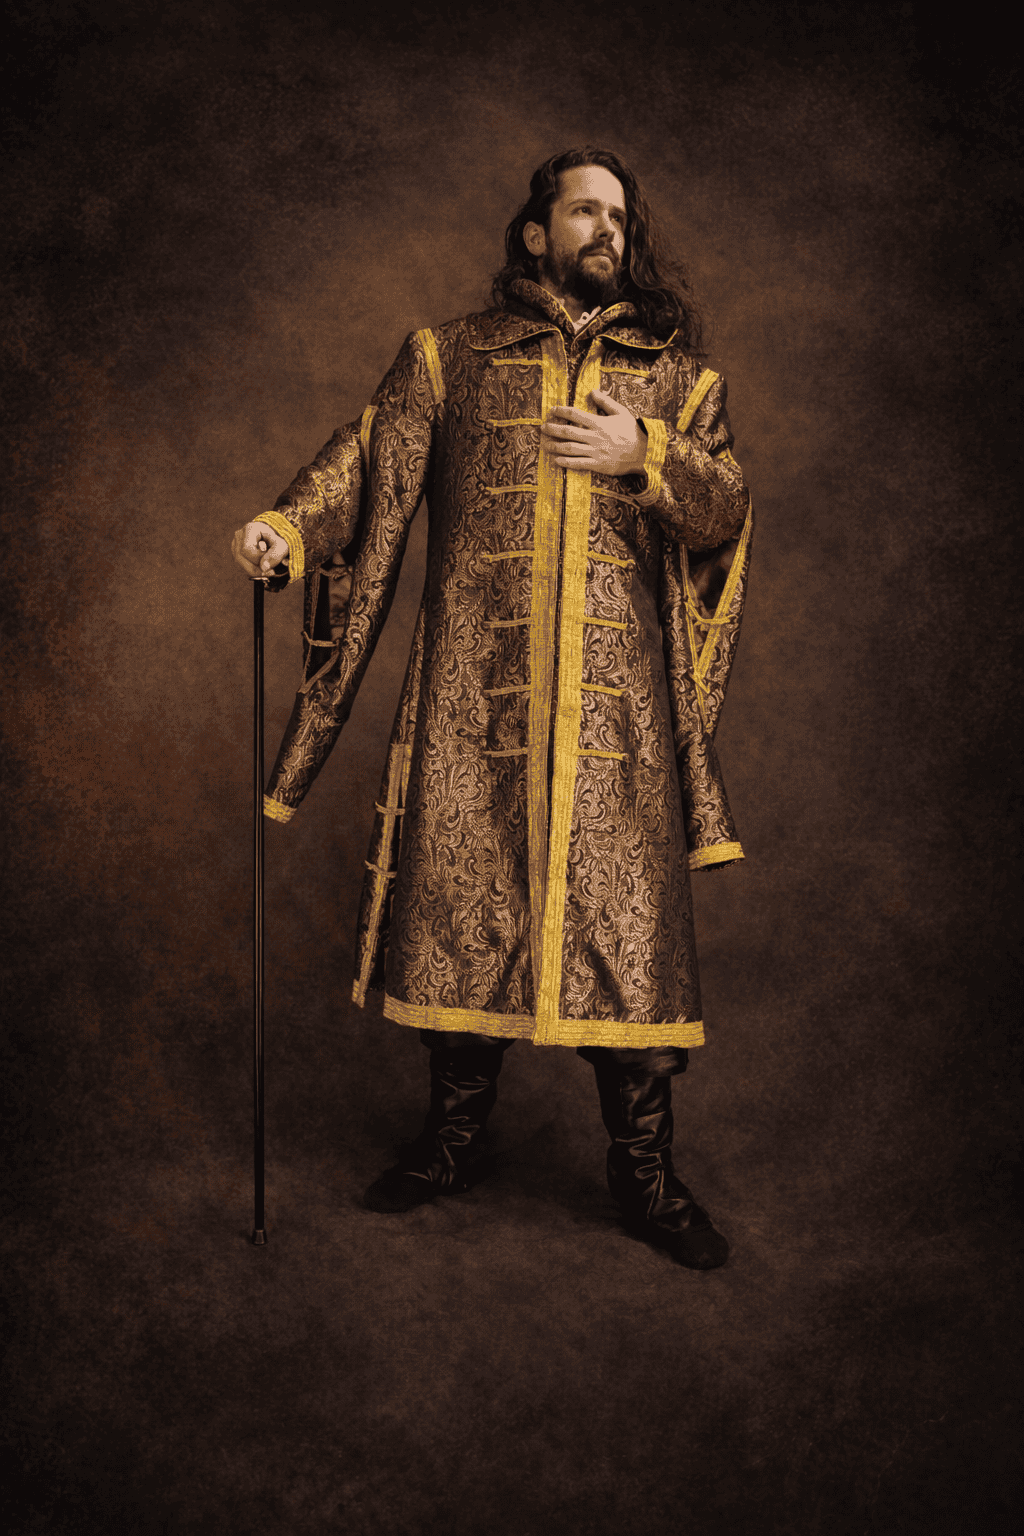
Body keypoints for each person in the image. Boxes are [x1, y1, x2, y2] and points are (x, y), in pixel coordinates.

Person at [231, 148, 752, 1270]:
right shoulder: (449, 358)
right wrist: (288, 527)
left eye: (619, 216)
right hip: (476, 702)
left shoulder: (677, 382)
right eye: (584, 209)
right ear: (535, 232)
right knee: (464, 915)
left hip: (617, 727)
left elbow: (722, 512)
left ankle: (646, 1177)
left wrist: (646, 454)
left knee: (624, 939)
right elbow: (366, 464)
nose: (606, 229)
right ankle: (451, 1141)